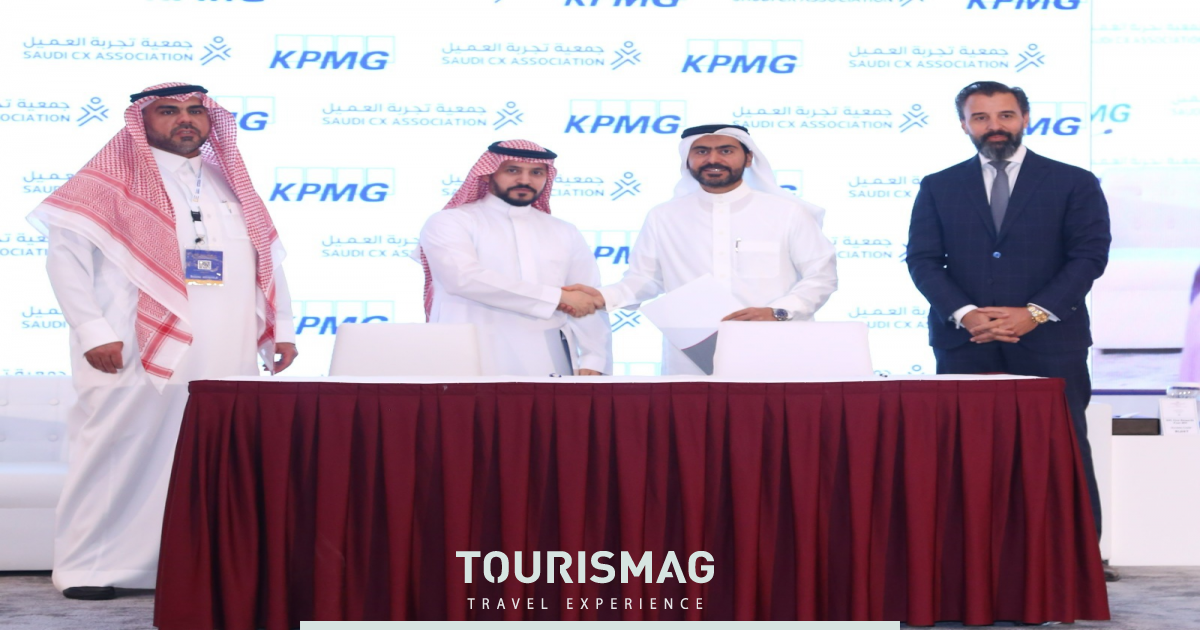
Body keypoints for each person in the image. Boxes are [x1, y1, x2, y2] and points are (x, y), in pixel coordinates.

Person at [28, 83, 297, 600]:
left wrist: (280, 328)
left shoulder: (228, 183)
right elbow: (65, 262)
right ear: (142, 121)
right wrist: (93, 331)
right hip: (132, 346)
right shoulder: (105, 183)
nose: (185, 119)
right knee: (119, 450)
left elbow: (267, 261)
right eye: (169, 111)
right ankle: (90, 566)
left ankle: (189, 566)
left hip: (226, 349)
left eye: (195, 110)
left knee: (210, 456)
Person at [906, 80, 1110, 538]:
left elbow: (1089, 256)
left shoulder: (1073, 181)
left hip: (1052, 341)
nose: (994, 126)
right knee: (967, 455)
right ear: (964, 125)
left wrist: (1034, 313)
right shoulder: (939, 186)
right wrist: (966, 314)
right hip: (966, 343)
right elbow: (922, 260)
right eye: (980, 117)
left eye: (1005, 115)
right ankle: (971, 561)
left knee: (1063, 452)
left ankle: (1076, 561)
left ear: (1025, 119)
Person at [563, 124, 837, 375]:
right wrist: (604, 296)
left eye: (726, 151)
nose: (713, 159)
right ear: (688, 159)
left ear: (748, 158)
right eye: (702, 151)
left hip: (776, 349)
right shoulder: (664, 217)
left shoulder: (787, 213)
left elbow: (821, 276)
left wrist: (778, 311)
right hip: (691, 359)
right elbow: (645, 279)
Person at [419, 140, 611, 376]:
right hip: (469, 357)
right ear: (488, 173)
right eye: (512, 170)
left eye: (536, 173)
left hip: (546, 359)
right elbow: (463, 279)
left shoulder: (564, 230)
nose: (525, 180)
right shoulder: (451, 222)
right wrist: (557, 297)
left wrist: (594, 357)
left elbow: (586, 296)